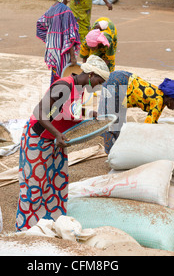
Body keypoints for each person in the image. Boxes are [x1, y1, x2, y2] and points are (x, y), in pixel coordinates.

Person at [16, 56, 110, 232]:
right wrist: (57, 134)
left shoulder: (80, 87)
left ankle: (52, 226)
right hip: (38, 139)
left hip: (56, 140)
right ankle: (27, 231)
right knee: (35, 185)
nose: (100, 85)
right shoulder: (64, 86)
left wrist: (89, 112)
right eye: (100, 81)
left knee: (56, 183)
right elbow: (39, 112)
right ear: (91, 74)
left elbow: (68, 109)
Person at [98, 72, 174, 154]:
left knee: (118, 121)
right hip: (117, 83)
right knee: (111, 121)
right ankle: (110, 153)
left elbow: (154, 121)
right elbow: (148, 127)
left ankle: (116, 147)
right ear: (171, 99)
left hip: (123, 82)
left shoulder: (162, 98)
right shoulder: (158, 101)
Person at [36, 0, 81, 84]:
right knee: (65, 78)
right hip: (64, 53)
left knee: (55, 76)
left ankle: (53, 97)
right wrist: (73, 57)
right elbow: (69, 36)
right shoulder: (66, 11)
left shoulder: (51, 9)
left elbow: (40, 24)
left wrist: (51, 40)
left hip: (53, 51)